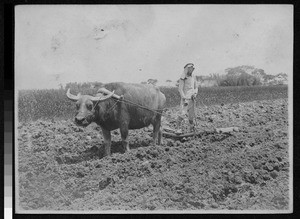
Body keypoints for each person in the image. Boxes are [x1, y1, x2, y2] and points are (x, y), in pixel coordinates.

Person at [176, 63, 198, 133]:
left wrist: (195, 93)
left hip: (192, 98)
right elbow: (180, 89)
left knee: (191, 116)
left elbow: (196, 87)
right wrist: (184, 98)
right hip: (185, 99)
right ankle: (178, 128)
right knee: (182, 114)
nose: (191, 70)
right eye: (190, 68)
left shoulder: (193, 77)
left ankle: (192, 128)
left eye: (192, 68)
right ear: (187, 69)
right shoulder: (183, 77)